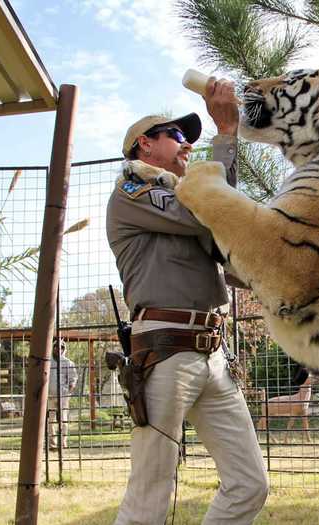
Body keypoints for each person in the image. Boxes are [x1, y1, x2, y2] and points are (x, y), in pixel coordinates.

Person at [106, 77, 269, 525]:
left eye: (191, 140)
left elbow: (228, 230)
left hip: (213, 354)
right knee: (149, 499)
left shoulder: (184, 198)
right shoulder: (132, 191)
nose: (187, 147)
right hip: (165, 351)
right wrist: (226, 136)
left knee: (250, 484)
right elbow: (211, 210)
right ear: (144, 144)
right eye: (177, 135)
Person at [48, 338, 78, 450]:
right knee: (50, 421)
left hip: (63, 396)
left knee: (63, 420)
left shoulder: (68, 363)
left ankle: (63, 443)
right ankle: (52, 444)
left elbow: (73, 378)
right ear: (53, 347)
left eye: (61, 347)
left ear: (64, 349)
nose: (58, 349)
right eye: (56, 346)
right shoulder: (48, 361)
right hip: (49, 396)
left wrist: (68, 391)